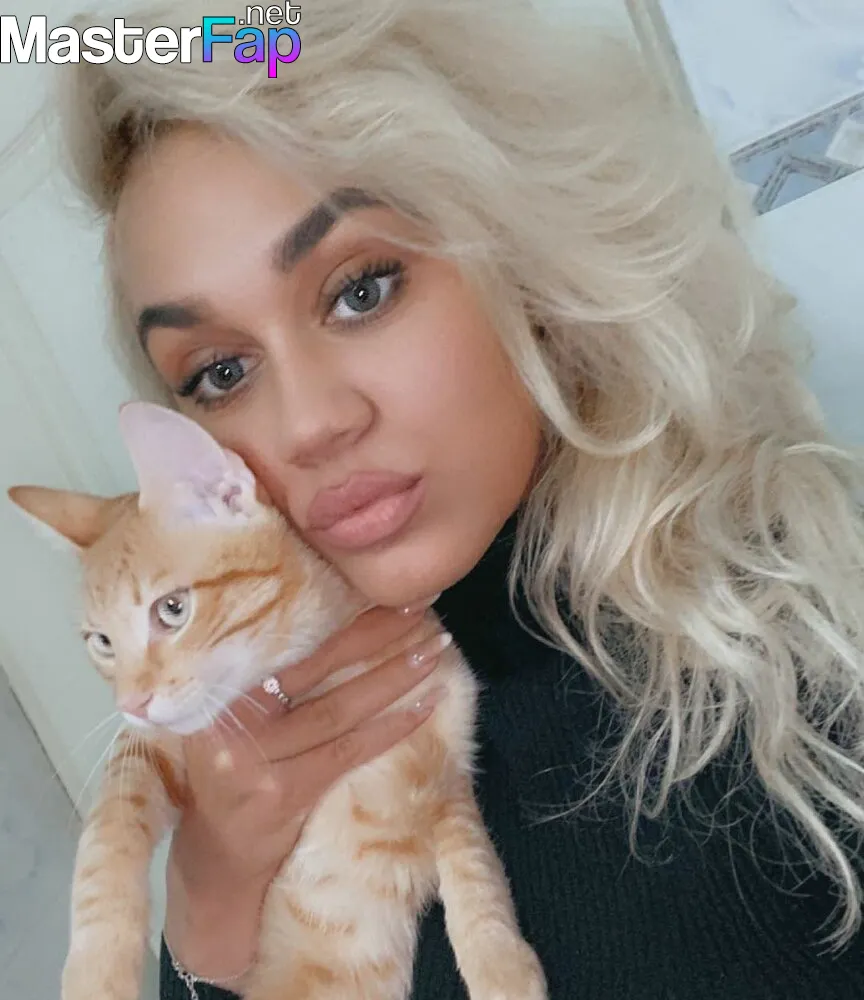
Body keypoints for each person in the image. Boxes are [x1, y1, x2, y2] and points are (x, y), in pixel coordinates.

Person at [57, 0, 864, 996]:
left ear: (523, 253)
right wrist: (209, 927)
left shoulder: (816, 635)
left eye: (361, 290)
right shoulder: (252, 759)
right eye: (220, 373)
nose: (311, 424)